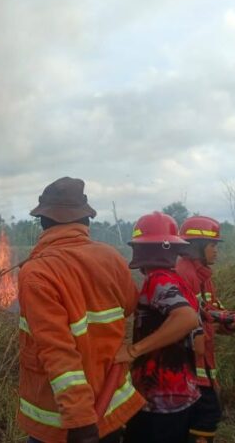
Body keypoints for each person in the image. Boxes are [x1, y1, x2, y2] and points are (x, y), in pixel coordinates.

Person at [17, 177, 145, 443]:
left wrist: (81, 422)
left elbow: (58, 353)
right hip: (111, 404)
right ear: (86, 222)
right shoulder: (112, 258)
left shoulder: (37, 272)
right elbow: (130, 305)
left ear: (44, 222)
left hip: (65, 424)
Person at [115, 211, 201, 443]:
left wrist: (133, 351)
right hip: (179, 393)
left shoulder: (159, 280)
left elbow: (187, 318)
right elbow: (196, 315)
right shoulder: (176, 280)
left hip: (159, 398)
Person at [176, 216, 235, 443]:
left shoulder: (204, 276)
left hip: (203, 361)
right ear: (196, 246)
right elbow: (189, 322)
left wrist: (230, 323)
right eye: (213, 245)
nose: (216, 251)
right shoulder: (185, 273)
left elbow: (212, 311)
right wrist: (218, 322)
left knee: (201, 416)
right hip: (189, 362)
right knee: (207, 414)